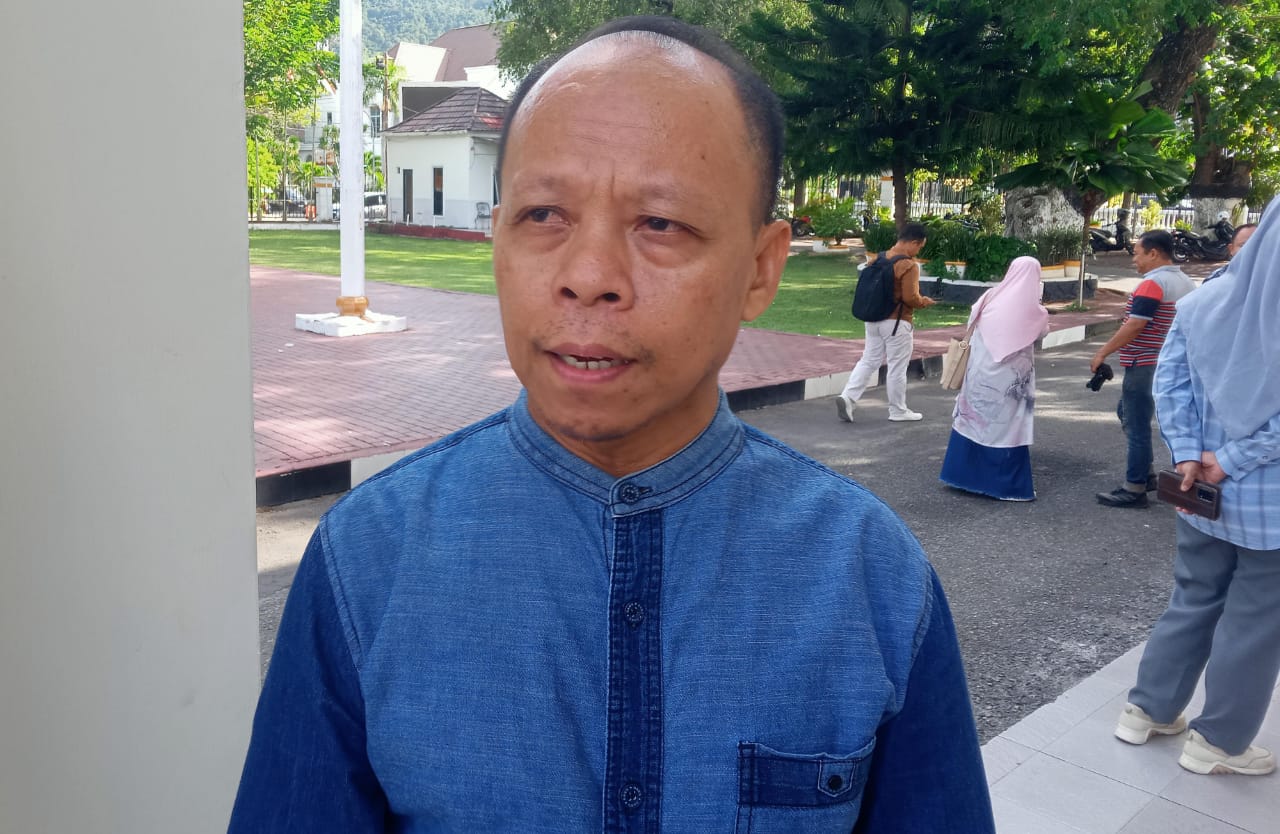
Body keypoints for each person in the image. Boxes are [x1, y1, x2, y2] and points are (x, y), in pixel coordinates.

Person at [227, 16, 995, 833]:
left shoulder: (872, 579)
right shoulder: (368, 562)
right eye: (543, 215)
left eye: (660, 223)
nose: (589, 276)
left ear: (760, 268)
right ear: (498, 238)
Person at [1113, 199, 1280, 776]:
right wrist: (1228, 460)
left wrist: (1188, 455)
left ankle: (1147, 710)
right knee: (1255, 622)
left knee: (1192, 596)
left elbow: (1171, 383)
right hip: (1268, 506)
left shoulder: (1205, 300)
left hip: (1199, 495)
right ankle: (1219, 742)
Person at [1090, 230, 1195, 508]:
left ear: (1154, 253)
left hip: (1145, 362)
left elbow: (1135, 324)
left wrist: (1102, 352)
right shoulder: (1185, 282)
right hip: (1167, 362)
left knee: (1137, 425)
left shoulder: (1153, 284)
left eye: (1137, 254)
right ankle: (1146, 475)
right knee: (1127, 413)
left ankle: (1134, 487)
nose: (1134, 259)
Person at [939, 256, 1050, 501]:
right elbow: (1042, 332)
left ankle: (962, 477)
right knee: (1007, 428)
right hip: (1009, 383)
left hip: (979, 372)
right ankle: (1005, 487)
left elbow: (971, 321)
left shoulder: (990, 296)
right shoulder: (1033, 310)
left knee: (973, 420)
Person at [836, 222, 937, 422]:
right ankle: (898, 410)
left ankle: (848, 397)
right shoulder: (908, 265)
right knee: (897, 366)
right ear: (914, 242)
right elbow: (910, 298)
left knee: (868, 360)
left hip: (872, 319)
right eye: (920, 246)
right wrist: (924, 302)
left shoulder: (878, 258)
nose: (918, 251)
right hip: (897, 322)